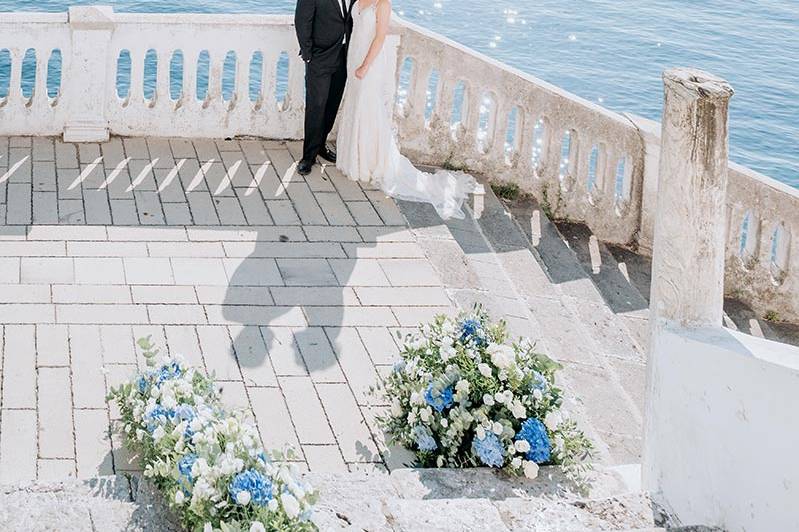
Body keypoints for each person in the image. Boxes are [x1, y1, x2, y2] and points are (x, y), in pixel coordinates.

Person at [336, 0, 482, 220]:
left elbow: (380, 37)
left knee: (368, 111)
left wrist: (365, 65)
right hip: (354, 56)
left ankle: (368, 162)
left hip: (369, 64)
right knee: (356, 107)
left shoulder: (382, 3)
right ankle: (353, 158)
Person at [294, 0, 354, 176]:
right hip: (319, 57)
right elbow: (302, 20)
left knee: (332, 103)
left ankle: (321, 145)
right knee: (316, 105)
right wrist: (308, 54)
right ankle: (308, 157)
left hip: (344, 56)